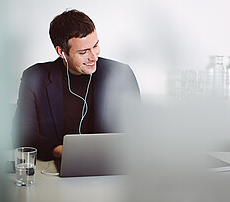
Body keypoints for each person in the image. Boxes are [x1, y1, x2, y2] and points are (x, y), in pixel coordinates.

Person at [12, 9, 140, 160]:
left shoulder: (121, 74)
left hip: (113, 166)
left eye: (95, 46)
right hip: (56, 168)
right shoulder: (35, 77)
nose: (94, 57)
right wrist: (62, 151)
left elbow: (137, 132)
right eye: (83, 52)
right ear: (61, 52)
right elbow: (23, 136)